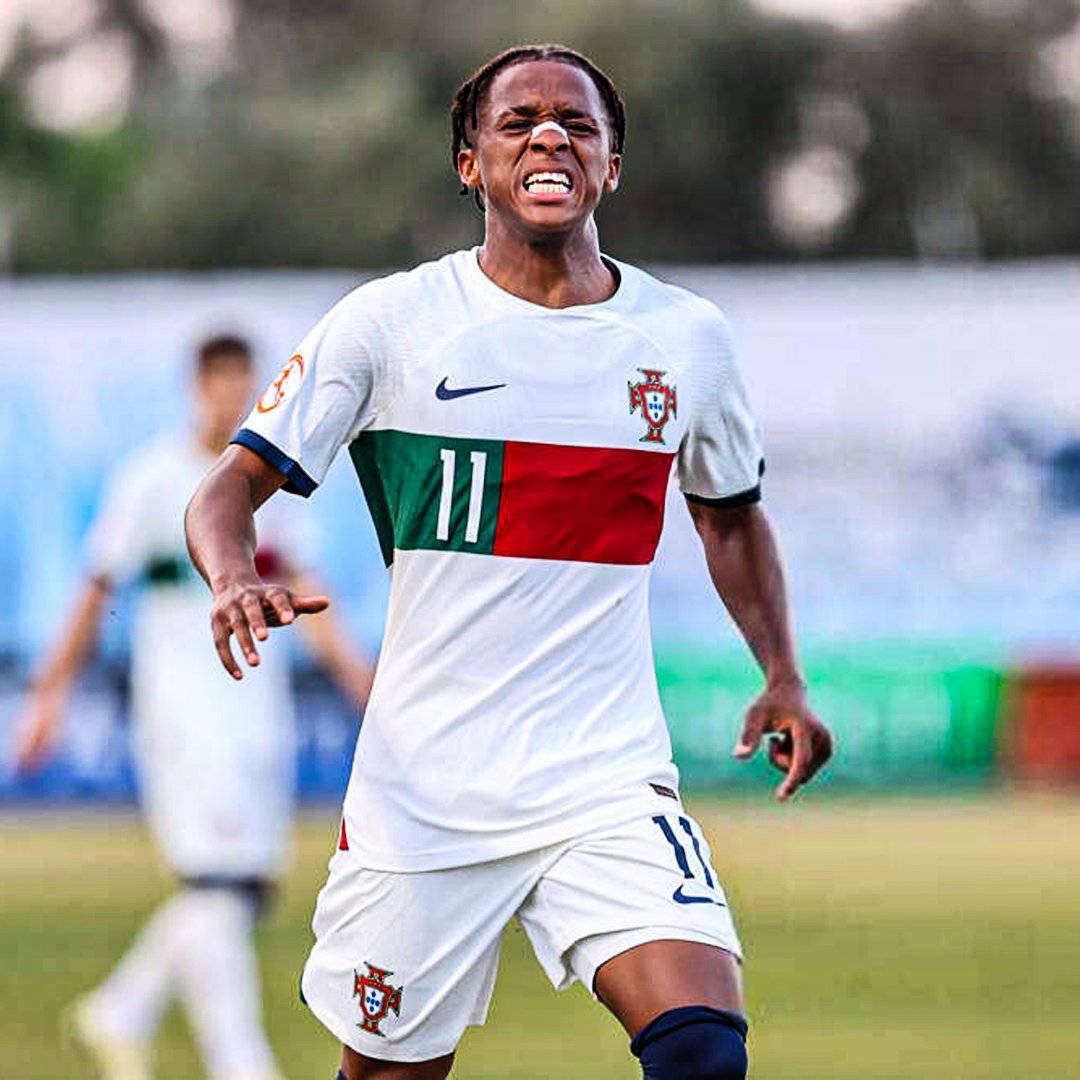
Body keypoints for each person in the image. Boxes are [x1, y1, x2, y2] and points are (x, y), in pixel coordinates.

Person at [185, 45, 833, 1080]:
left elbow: (731, 518)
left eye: (578, 125)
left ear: (610, 165)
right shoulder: (390, 325)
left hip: (605, 778)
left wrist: (783, 672)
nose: (549, 138)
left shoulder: (685, 339)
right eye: (519, 122)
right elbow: (226, 491)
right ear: (470, 164)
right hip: (427, 791)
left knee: (705, 1052)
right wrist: (232, 575)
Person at [14, 334, 375, 1080]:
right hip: (184, 710)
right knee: (216, 881)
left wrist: (363, 683)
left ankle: (121, 1009)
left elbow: (311, 592)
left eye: (243, 384)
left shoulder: (271, 491)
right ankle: (241, 1062)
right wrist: (49, 696)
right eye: (220, 383)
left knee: (246, 885)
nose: (230, 398)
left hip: (257, 709)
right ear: (196, 387)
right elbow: (94, 589)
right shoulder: (153, 480)